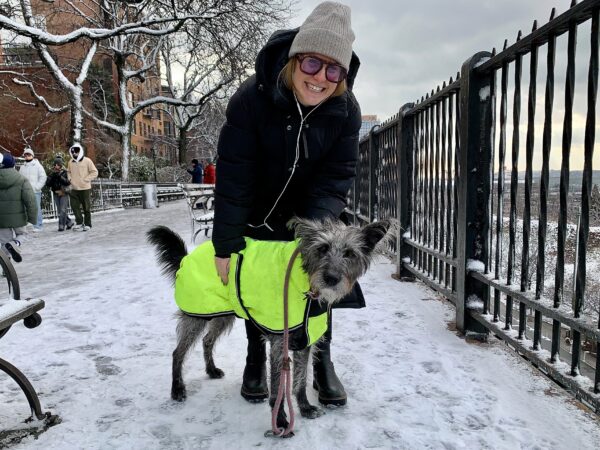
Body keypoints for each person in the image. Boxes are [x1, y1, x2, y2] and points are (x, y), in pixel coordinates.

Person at [213, 1, 362, 407]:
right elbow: (234, 175)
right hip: (257, 213)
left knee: (321, 282)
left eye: (335, 70)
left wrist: (313, 232)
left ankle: (321, 361)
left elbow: (337, 176)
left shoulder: (346, 111)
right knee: (256, 286)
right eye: (313, 63)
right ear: (295, 59)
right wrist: (225, 244)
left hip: (313, 215)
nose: (321, 78)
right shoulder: (252, 98)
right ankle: (254, 358)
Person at [0, 152, 37, 262]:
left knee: (3, 242)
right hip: (19, 218)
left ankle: (7, 269)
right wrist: (32, 217)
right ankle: (15, 243)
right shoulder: (21, 179)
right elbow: (30, 200)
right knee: (22, 234)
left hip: (1, 219)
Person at [67, 143, 98, 231]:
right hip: (74, 188)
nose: (74, 154)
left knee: (86, 207)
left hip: (85, 188)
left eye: (76, 151)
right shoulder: (70, 162)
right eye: (73, 152)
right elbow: (68, 172)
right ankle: (79, 223)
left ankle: (88, 224)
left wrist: (86, 179)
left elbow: (94, 172)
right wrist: (70, 179)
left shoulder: (87, 161)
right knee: (75, 206)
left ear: (80, 151)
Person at [20, 146, 47, 231]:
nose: (27, 156)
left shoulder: (38, 166)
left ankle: (38, 225)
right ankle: (29, 222)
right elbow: (20, 178)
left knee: (36, 208)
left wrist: (37, 187)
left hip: (35, 191)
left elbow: (43, 177)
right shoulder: (22, 167)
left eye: (28, 154)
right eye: (25, 155)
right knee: (25, 208)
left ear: (32, 155)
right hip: (25, 191)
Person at [45, 156, 74, 232]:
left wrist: (59, 177)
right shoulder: (52, 173)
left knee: (63, 210)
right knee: (60, 211)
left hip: (64, 193)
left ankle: (61, 225)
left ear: (61, 165)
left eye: (58, 164)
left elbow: (68, 182)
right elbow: (48, 184)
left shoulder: (65, 172)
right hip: (56, 193)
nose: (56, 166)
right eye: (55, 164)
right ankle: (69, 222)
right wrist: (53, 177)